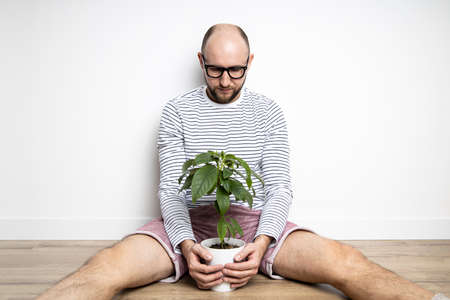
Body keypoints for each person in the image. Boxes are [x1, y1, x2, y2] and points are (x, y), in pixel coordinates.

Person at [37, 23, 448, 300]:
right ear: (201, 61)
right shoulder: (177, 111)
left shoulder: (267, 111)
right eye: (215, 70)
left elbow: (279, 187)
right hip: (186, 227)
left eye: (235, 70)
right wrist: (186, 244)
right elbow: (170, 189)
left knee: (344, 261)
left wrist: (261, 243)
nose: (225, 81)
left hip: (254, 225)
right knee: (106, 266)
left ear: (250, 62)